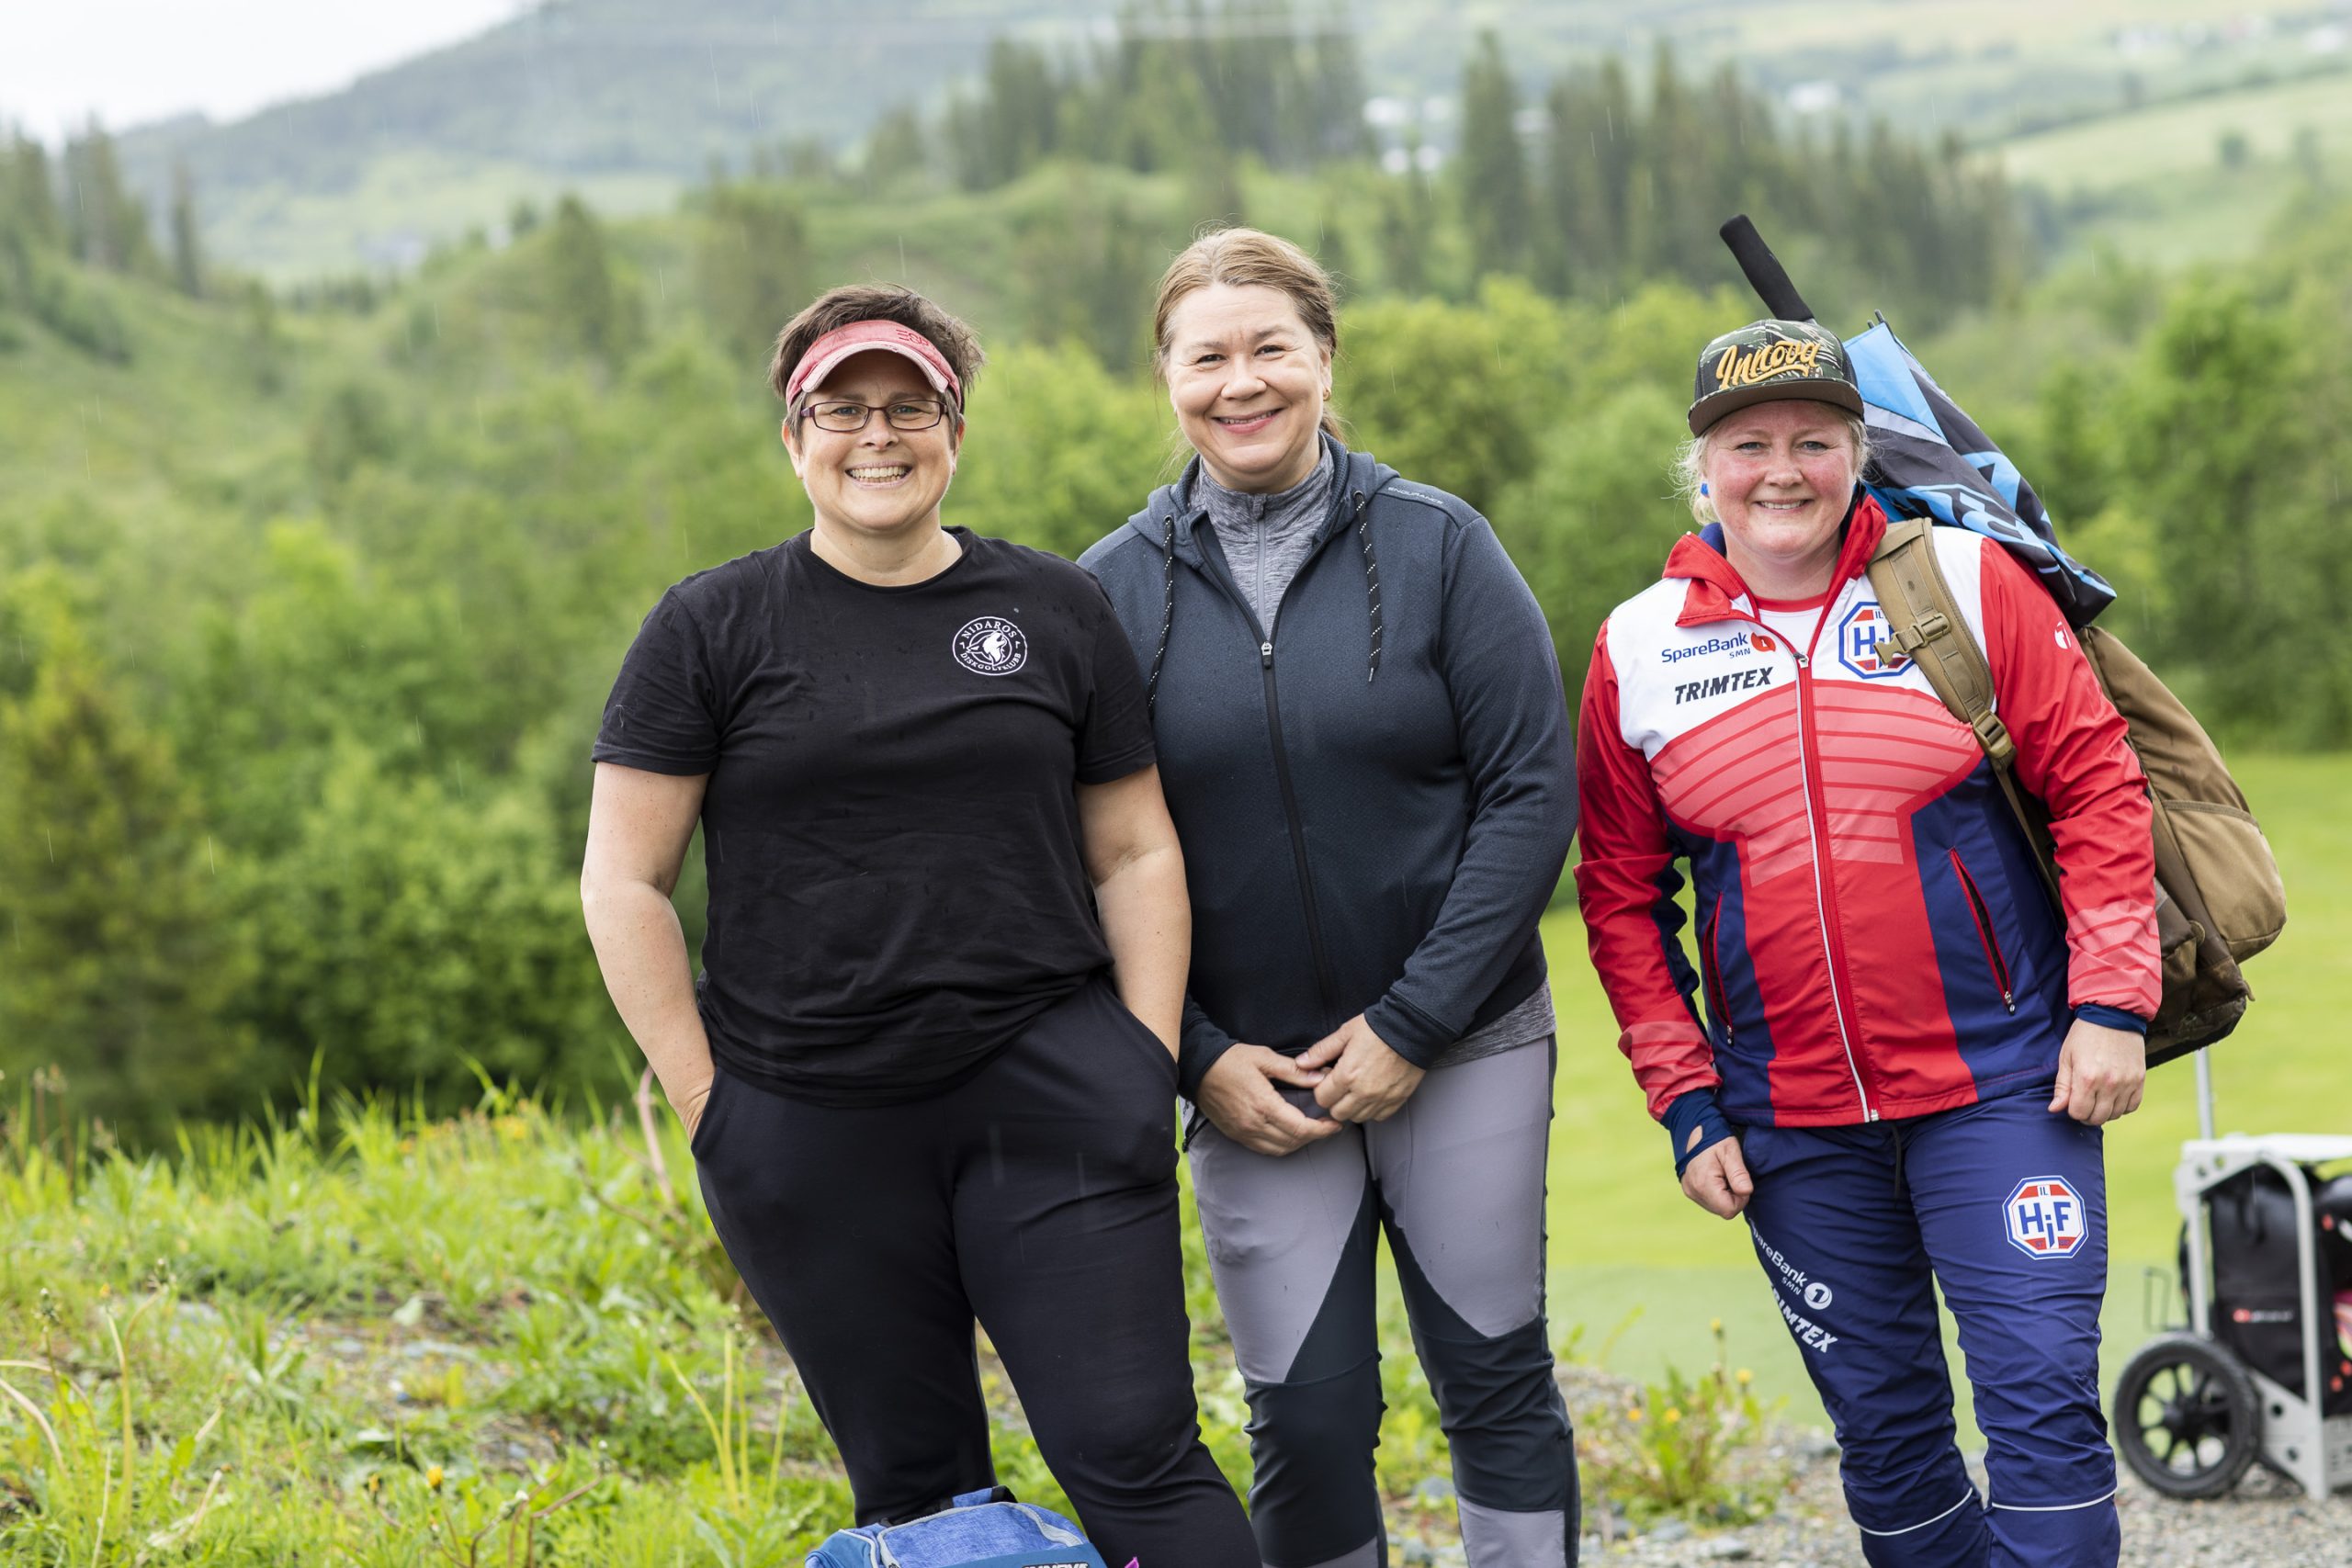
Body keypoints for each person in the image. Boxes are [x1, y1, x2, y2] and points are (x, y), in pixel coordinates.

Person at [578, 284, 1260, 1566]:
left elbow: (1134, 846)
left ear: (955, 427)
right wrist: (711, 1107)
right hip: (807, 1122)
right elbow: (623, 881)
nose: (876, 436)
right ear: (794, 436)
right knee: (916, 1494)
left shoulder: (1055, 609)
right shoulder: (708, 628)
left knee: (1139, 1460)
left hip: (1051, 1096)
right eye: (842, 409)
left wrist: (1143, 1051)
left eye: (910, 407)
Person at [1575, 319, 2159, 1567]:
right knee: (1888, 1444)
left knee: (2045, 1412)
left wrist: (2111, 1004)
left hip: (2005, 1088)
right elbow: (1621, 898)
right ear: (1704, 466)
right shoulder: (1638, 647)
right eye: (1748, 446)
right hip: (1788, 1125)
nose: (1780, 470)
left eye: (1812, 441)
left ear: (1856, 452)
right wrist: (1686, 1102)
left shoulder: (1959, 582)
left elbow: (2100, 789)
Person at [1081, 229, 1581, 1568]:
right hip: (1251, 1078)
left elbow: (1532, 794)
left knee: (1493, 1381)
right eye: (1207, 357)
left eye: (1270, 350)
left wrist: (1414, 1024)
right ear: (1166, 379)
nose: (1240, 384)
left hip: (1463, 1043)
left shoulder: (1439, 546)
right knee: (1305, 1417)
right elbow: (1077, 863)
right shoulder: (1106, 596)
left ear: (1323, 358)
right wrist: (1192, 1058)